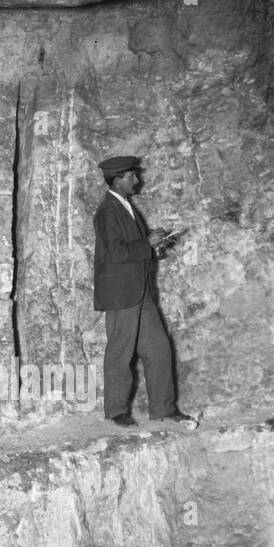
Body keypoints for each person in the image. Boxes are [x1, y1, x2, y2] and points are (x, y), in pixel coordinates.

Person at [92, 155, 197, 427]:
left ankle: (163, 408)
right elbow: (116, 252)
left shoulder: (125, 206)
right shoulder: (108, 211)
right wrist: (148, 243)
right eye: (132, 176)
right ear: (118, 180)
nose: (137, 180)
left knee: (159, 349)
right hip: (122, 293)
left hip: (140, 292)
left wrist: (155, 249)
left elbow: (132, 248)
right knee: (120, 352)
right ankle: (116, 411)